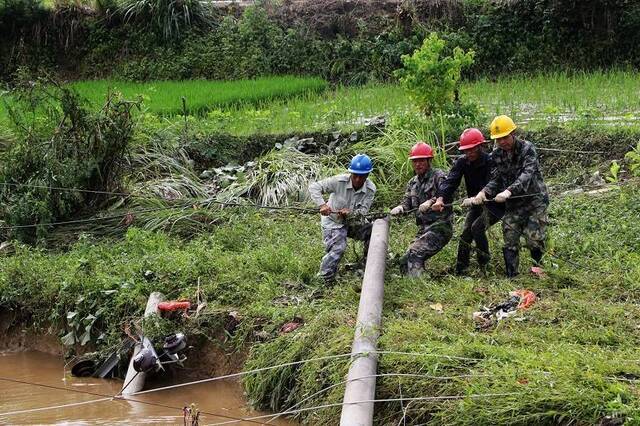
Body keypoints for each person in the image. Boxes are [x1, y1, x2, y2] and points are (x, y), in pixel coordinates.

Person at [471, 115, 549, 277]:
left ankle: (538, 270)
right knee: (510, 238)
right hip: (513, 204)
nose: (502, 142)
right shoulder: (497, 154)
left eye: (505, 138)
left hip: (534, 200)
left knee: (534, 239)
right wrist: (484, 192)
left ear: (513, 133)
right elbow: (496, 178)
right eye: (498, 139)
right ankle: (512, 275)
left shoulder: (527, 149)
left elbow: (527, 174)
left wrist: (508, 191)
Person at [431, 128, 505, 275]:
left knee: (477, 227)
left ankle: (484, 265)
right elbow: (450, 182)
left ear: (480, 146)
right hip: (475, 204)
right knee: (465, 234)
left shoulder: (491, 161)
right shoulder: (462, 162)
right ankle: (460, 268)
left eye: (472, 149)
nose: (469, 153)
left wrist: (483, 194)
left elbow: (496, 182)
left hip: (494, 204)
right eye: (466, 150)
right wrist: (440, 198)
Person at [308, 154, 376, 284]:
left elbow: (363, 212)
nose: (356, 179)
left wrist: (350, 213)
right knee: (338, 247)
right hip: (333, 222)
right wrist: (322, 205)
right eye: (354, 175)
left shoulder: (370, 189)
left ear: (367, 176)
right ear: (350, 173)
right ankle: (325, 278)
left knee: (373, 231)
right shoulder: (339, 181)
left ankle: (369, 266)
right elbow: (314, 187)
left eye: (361, 177)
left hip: (352, 221)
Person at [390, 142, 452, 277]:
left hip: (440, 228)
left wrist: (431, 201)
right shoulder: (413, 182)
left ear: (429, 161)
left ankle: (419, 283)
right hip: (423, 229)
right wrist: (400, 208)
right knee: (404, 260)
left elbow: (446, 194)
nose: (418, 164)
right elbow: (406, 203)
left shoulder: (439, 176)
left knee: (415, 253)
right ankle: (416, 278)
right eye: (415, 161)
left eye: (421, 160)